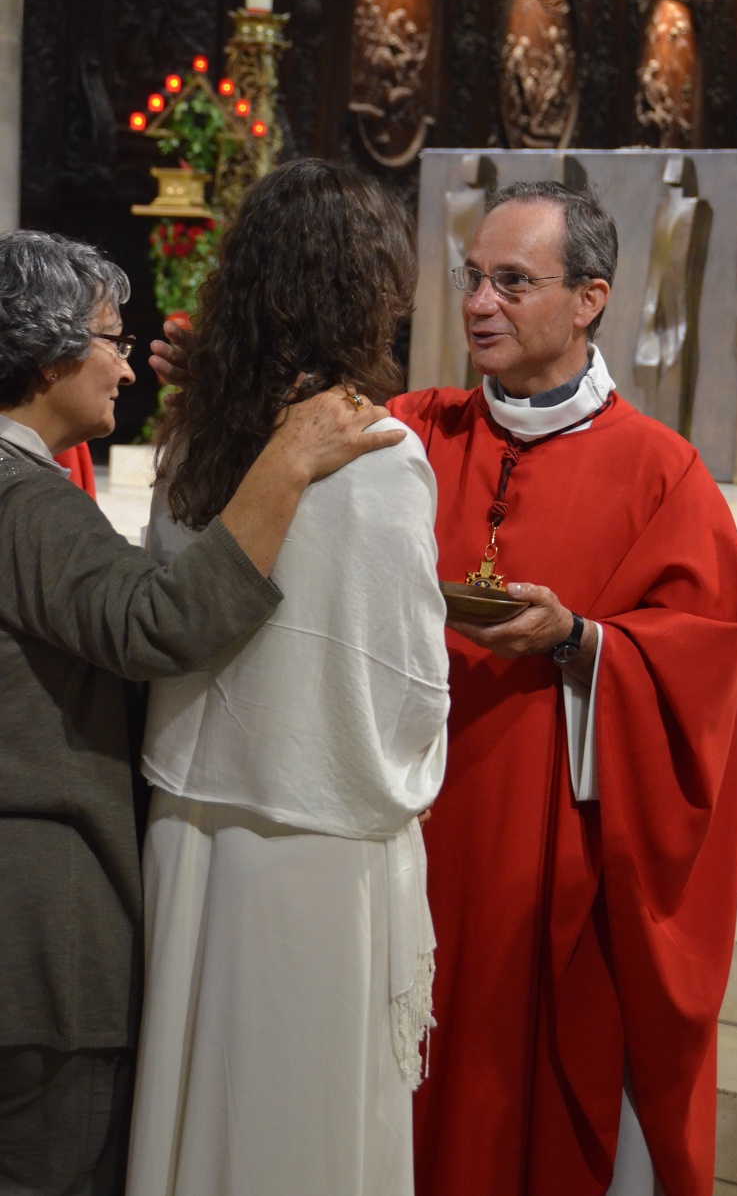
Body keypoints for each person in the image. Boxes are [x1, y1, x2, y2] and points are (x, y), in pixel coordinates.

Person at [0, 228, 404, 1196]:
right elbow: (160, 622)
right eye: (110, 337)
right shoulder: (24, 501)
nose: (126, 360)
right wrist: (289, 459)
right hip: (40, 946)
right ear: (53, 354)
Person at [385, 181, 737, 1196]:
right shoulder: (413, 433)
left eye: (512, 281)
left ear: (587, 299)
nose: (478, 304)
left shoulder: (661, 474)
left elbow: (699, 655)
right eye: (471, 279)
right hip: (409, 827)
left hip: (549, 848)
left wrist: (582, 642)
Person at [125, 159, 450, 1196]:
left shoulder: (198, 439)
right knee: (298, 1127)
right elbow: (405, 680)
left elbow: (169, 613)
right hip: (316, 844)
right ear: (368, 290)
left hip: (188, 823)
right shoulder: (379, 454)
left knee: (193, 1099)